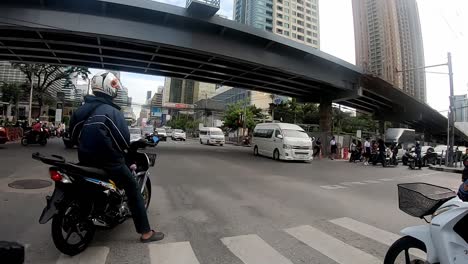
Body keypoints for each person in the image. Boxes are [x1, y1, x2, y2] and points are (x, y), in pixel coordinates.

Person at [69, 71, 164, 243]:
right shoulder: (112, 112)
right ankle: (146, 232)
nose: (115, 89)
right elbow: (123, 142)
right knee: (133, 188)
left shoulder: (81, 110)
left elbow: (72, 137)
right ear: (109, 89)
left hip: (85, 161)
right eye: (114, 86)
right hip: (110, 163)